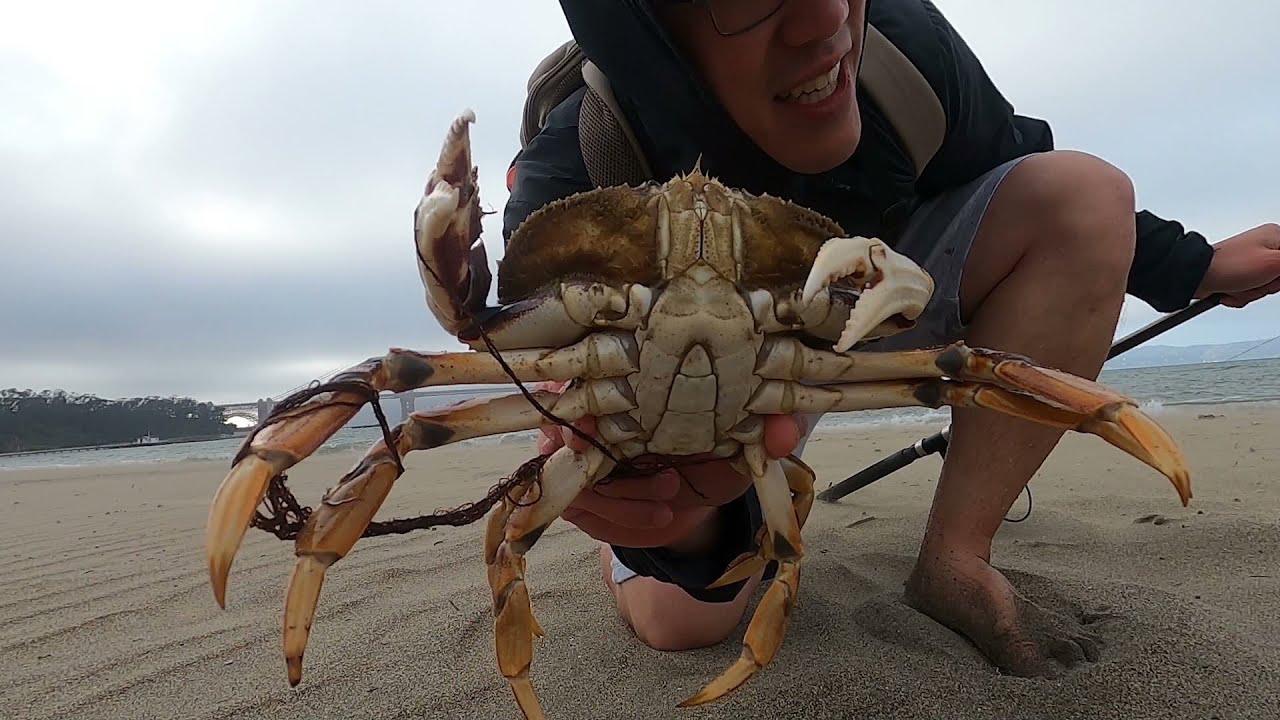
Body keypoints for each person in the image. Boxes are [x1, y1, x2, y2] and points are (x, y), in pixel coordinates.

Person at [502, 0, 1280, 676]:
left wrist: (1197, 265)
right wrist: (671, 520)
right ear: (649, 35)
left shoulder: (899, 50)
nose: (826, 20)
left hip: (874, 307)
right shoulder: (577, 172)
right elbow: (540, 364)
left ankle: (957, 559)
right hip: (703, 394)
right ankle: (637, 556)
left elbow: (1014, 163)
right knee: (687, 623)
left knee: (1082, 193)